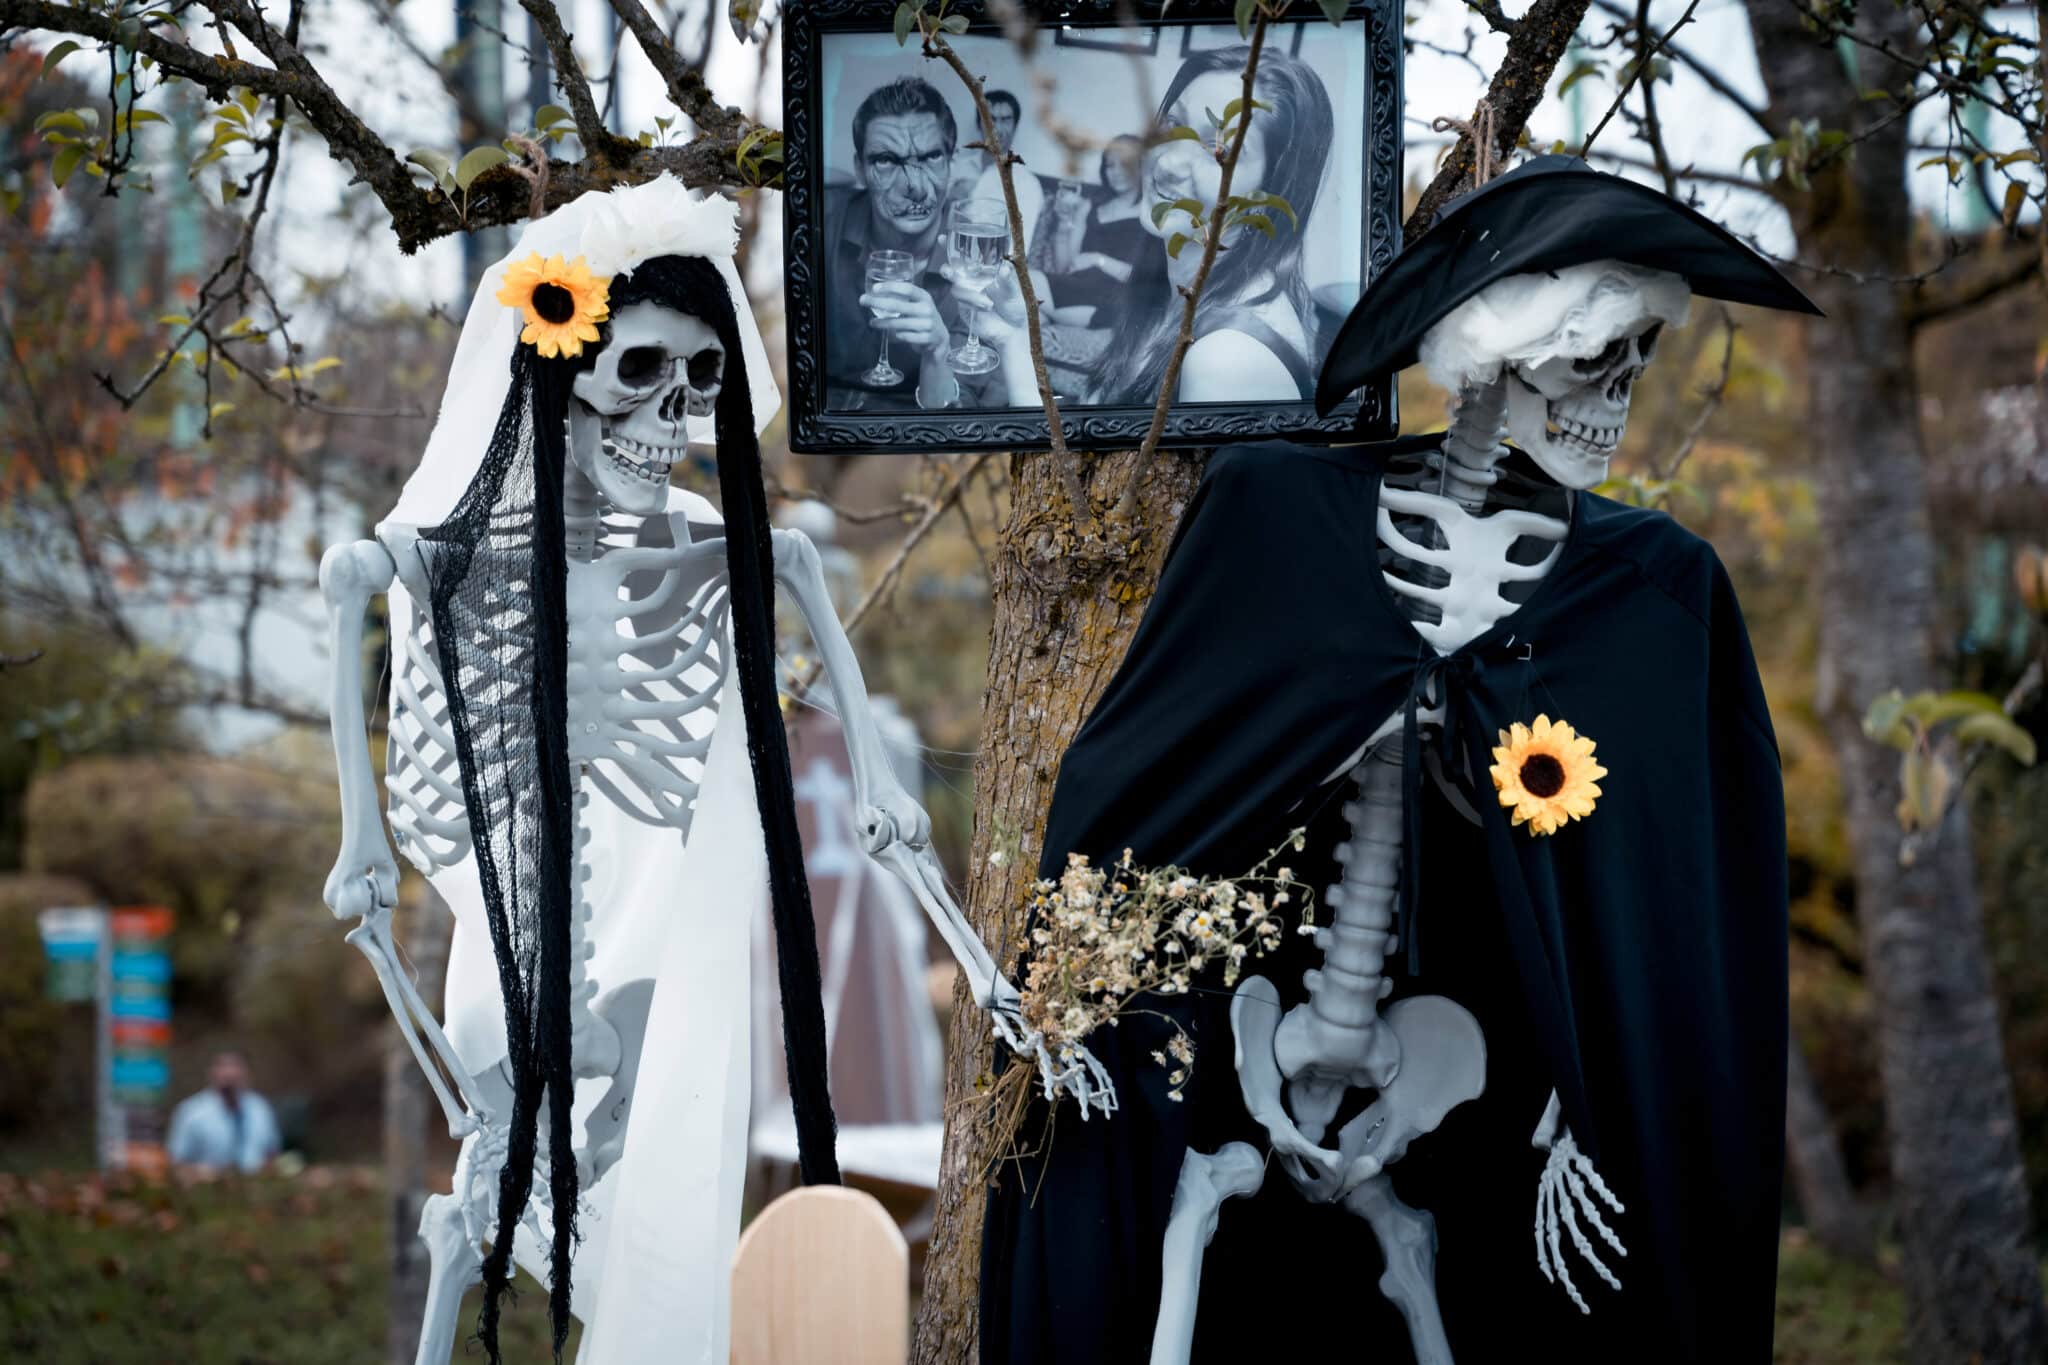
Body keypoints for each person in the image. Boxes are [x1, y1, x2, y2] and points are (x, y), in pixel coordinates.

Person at [1089, 46, 1335, 405]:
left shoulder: (1227, 357)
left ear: (1271, 190)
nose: (1169, 163)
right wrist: (1015, 337)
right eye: (1174, 125)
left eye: (1221, 152)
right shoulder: (1170, 286)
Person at [824, 76, 982, 411]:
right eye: (887, 161)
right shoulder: (822, 222)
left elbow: (958, 418)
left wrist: (937, 353)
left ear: (951, 163)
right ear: (860, 169)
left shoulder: (977, 257)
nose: (916, 187)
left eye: (930, 158)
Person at [1041, 135, 1152, 326]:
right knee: (1033, 316)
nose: (1115, 172)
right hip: (1076, 292)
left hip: (1111, 302)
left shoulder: (1150, 215)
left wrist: (1098, 260)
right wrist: (1063, 222)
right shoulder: (1089, 206)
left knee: (1024, 283)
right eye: (1110, 165)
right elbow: (1064, 268)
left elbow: (1144, 280)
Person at [166, 1049, 281, 1173]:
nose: (230, 1073)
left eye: (236, 1066)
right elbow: (175, 1161)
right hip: (208, 1187)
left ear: (246, 1072)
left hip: (255, 1186)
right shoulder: (191, 1112)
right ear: (211, 1071)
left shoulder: (260, 1108)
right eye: (223, 1066)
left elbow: (272, 1154)